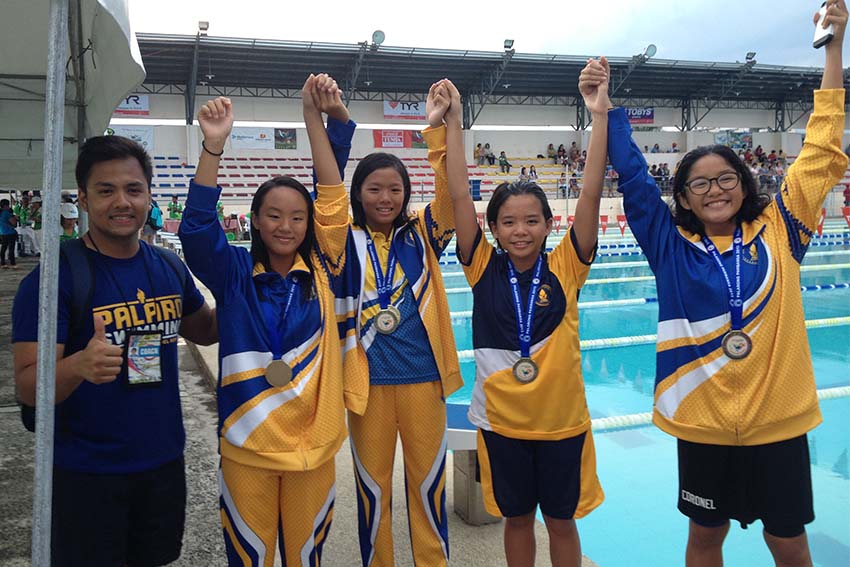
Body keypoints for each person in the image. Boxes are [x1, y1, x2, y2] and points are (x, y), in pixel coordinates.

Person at [596, 3, 848, 565]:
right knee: (705, 539)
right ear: (682, 196)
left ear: (744, 183)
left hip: (777, 421)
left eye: (726, 179)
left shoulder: (781, 228)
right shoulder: (669, 245)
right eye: (699, 183)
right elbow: (633, 176)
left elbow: (821, 149)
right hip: (704, 424)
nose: (715, 190)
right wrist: (605, 109)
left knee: (788, 539)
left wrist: (833, 49)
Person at [177, 87, 366, 566]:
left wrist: (317, 115)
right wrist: (213, 145)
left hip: (312, 451)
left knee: (305, 560)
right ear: (254, 222)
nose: (286, 226)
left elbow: (331, 198)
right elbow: (196, 232)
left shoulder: (327, 267)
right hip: (247, 452)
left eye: (298, 217)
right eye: (274, 216)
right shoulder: (235, 274)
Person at [12, 135, 218, 567]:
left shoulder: (166, 266)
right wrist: (77, 366)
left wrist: (252, 294)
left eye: (133, 189)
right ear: (84, 200)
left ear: (149, 196)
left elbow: (207, 330)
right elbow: (29, 387)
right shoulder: (55, 279)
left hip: (162, 464)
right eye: (106, 191)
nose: (122, 202)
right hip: (86, 474)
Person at [445, 66, 606, 567]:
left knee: (561, 522)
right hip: (501, 426)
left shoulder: (566, 265)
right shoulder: (480, 267)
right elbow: (456, 196)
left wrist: (597, 116)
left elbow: (591, 192)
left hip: (562, 426)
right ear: (492, 227)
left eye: (531, 220)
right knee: (516, 521)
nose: (520, 230)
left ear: (548, 224)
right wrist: (452, 125)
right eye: (508, 221)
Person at [310, 76, 461, 567]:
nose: (385, 198)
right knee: (373, 491)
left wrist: (439, 129)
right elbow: (327, 195)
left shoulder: (423, 235)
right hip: (367, 388)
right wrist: (332, 123)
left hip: (423, 383)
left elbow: (449, 191)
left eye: (395, 189)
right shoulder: (342, 241)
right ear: (359, 193)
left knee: (427, 486)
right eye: (374, 188)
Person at [0, 198, 18, 269]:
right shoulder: (7, 213)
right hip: (10, 232)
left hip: (2, 232)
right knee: (11, 248)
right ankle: (12, 263)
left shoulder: (1, 213)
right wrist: (15, 219)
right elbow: (14, 224)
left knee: (3, 248)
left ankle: (3, 263)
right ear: (5, 206)